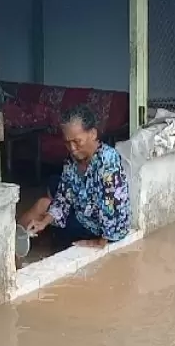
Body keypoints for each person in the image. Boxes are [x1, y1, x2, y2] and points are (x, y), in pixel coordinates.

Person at [20, 106, 130, 248]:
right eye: (67, 142)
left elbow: (111, 208)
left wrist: (100, 242)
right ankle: (14, 249)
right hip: (82, 212)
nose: (72, 148)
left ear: (93, 134)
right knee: (45, 201)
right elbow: (64, 197)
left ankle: (22, 246)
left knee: (45, 203)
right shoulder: (72, 160)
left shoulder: (107, 161)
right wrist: (44, 222)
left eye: (77, 141)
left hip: (97, 228)